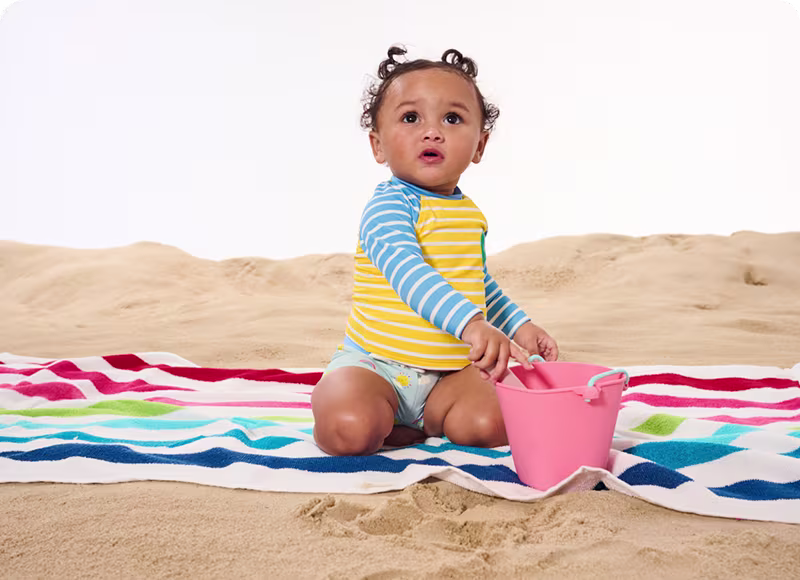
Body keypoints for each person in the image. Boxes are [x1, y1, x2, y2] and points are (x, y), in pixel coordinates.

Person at [312, 46, 558, 456]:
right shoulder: (389, 206)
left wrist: (517, 325)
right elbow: (409, 273)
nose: (432, 131)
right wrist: (472, 325)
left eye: (452, 118)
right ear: (378, 146)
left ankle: (425, 421)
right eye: (411, 118)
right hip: (377, 365)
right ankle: (365, 410)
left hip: (449, 373)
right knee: (348, 428)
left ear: (479, 146)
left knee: (492, 424)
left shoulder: (468, 213)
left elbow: (474, 281)